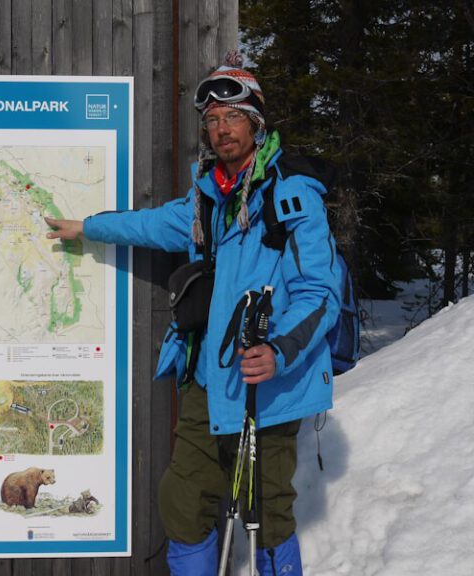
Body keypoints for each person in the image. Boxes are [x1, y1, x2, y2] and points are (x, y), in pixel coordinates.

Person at [46, 51, 340, 576]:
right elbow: (152, 225)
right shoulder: (208, 198)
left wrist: (278, 350)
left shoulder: (291, 195)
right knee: (182, 501)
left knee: (266, 511)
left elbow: (320, 291)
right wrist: (86, 227)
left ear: (255, 122)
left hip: (268, 385)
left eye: (232, 117)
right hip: (207, 380)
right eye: (212, 121)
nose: (222, 129)